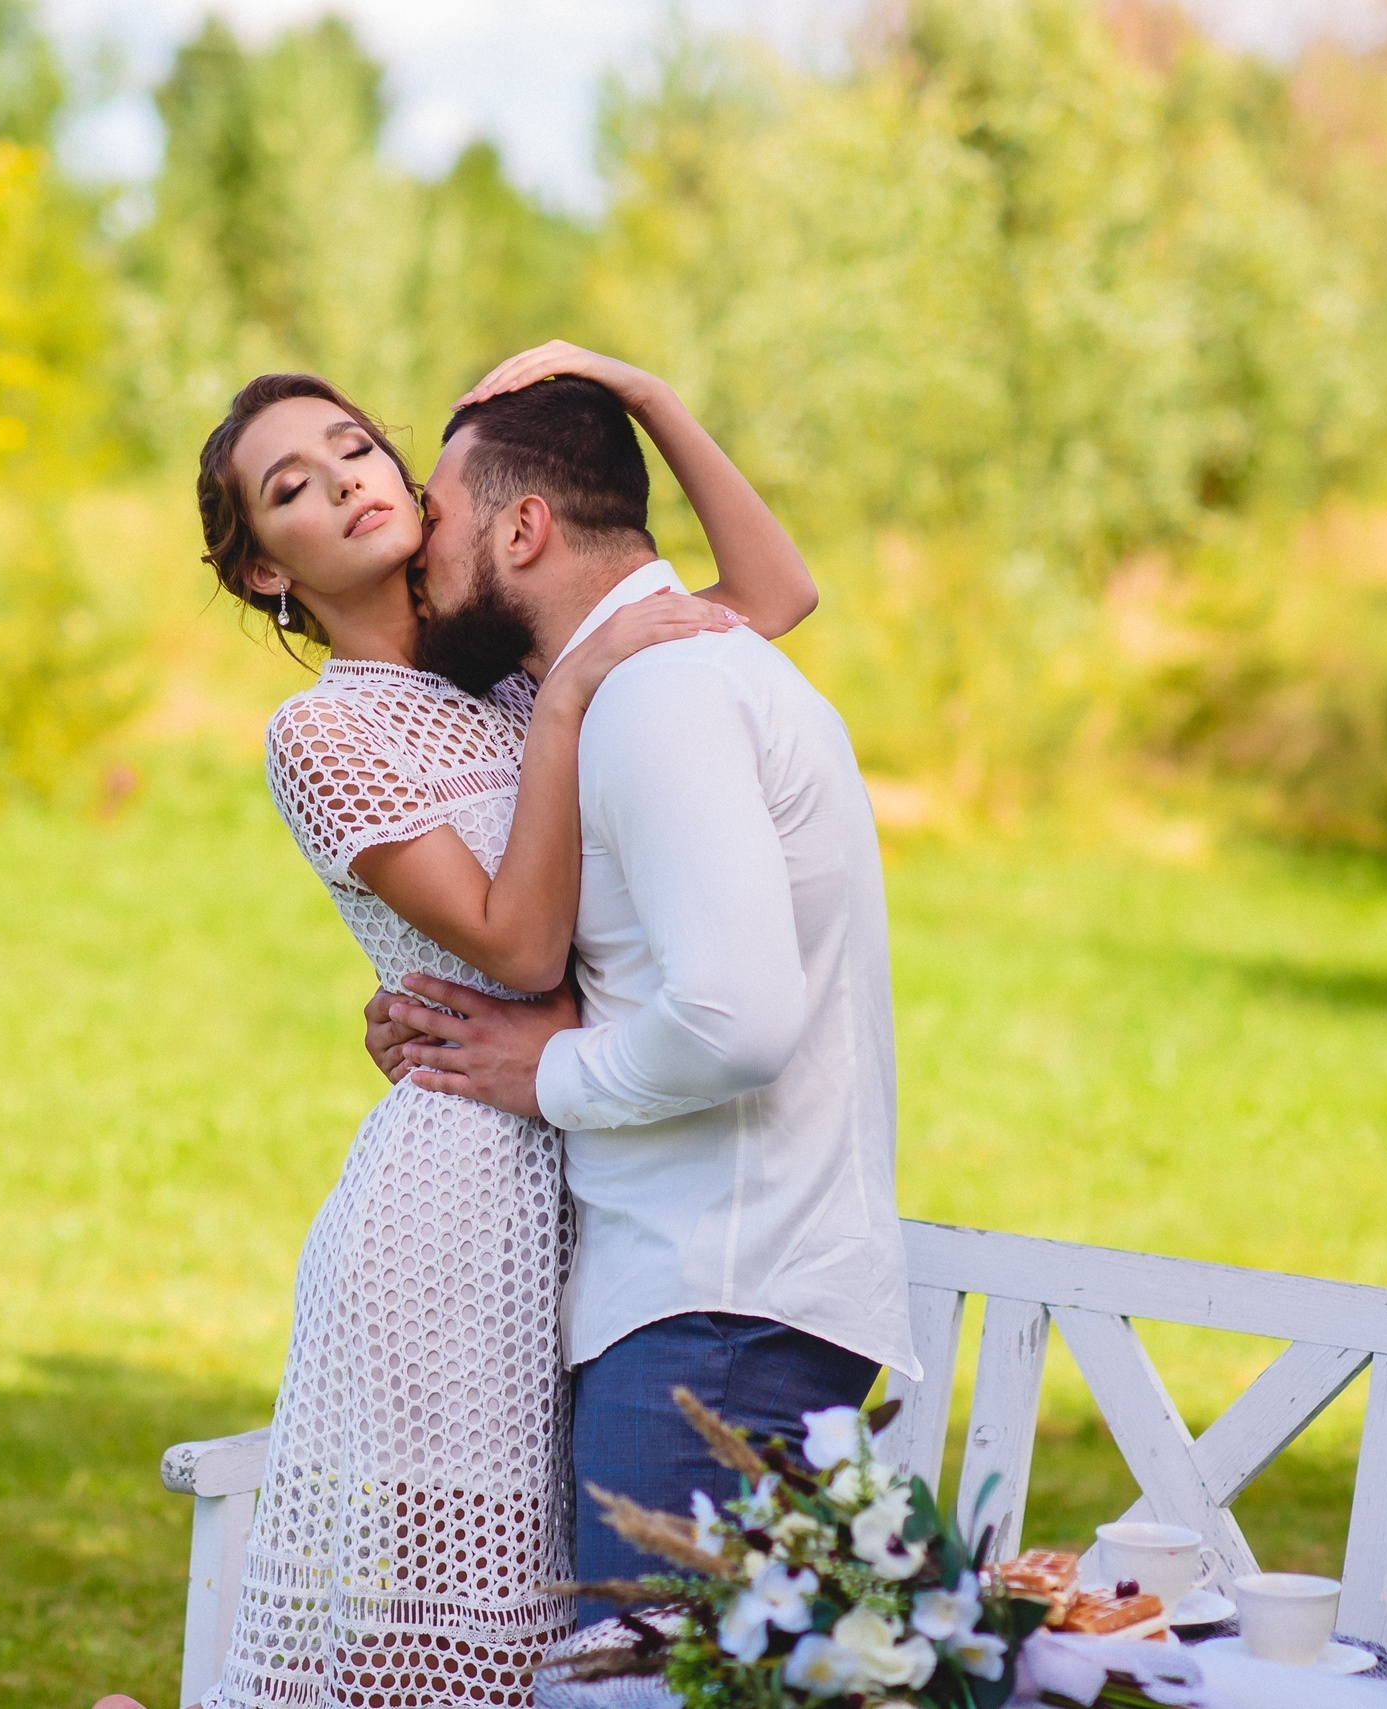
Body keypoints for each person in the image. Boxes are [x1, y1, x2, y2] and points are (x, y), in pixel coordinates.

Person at [187, 347, 823, 1709]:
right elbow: (520, 944)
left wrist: (644, 399)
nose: (344, 483)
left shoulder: (514, 659)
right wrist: (581, 693)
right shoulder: (325, 735)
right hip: (458, 1207)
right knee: (448, 1639)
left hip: (594, 1179)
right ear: (265, 571)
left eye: (355, 447)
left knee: (545, 1637)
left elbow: (774, 596)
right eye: (291, 488)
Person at [370, 346, 918, 1622]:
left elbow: (734, 1019)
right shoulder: (661, 670)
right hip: (724, 1313)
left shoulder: (661, 692)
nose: (417, 551)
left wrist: (539, 1067)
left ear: (525, 525)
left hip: (714, 1323)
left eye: (437, 519)